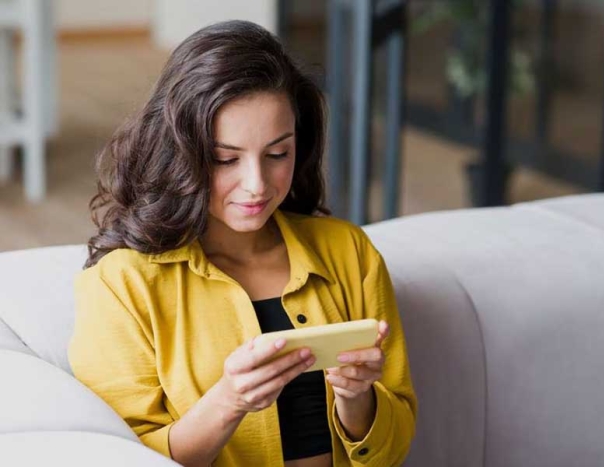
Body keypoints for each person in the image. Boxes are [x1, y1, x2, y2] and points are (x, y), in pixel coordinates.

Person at [68, 20, 416, 467]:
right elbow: (118, 457)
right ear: (181, 152)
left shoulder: (349, 252)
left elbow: (395, 448)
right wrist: (229, 402)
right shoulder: (122, 284)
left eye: (277, 154)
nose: (256, 185)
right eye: (225, 159)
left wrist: (357, 398)